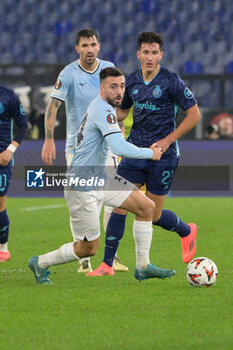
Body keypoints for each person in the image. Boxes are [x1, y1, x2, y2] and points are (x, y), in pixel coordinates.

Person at [28, 67, 176, 284]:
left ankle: (143, 266)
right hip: (82, 184)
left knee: (147, 207)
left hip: (101, 177)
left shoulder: (105, 108)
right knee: (88, 249)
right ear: (101, 87)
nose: (119, 91)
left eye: (122, 86)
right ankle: (40, 263)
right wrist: (150, 153)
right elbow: (119, 147)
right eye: (113, 86)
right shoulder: (103, 110)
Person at [91, 32, 201, 276]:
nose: (149, 57)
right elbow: (122, 112)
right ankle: (107, 265)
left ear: (161, 55)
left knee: (152, 214)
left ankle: (186, 230)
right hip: (135, 152)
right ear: (138, 54)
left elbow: (194, 115)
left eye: (154, 52)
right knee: (119, 205)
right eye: (145, 52)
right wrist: (102, 115)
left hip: (164, 156)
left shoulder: (172, 82)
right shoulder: (130, 81)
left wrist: (167, 140)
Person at [41, 28, 127, 273]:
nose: (89, 49)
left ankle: (111, 257)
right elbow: (53, 107)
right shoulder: (68, 74)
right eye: (84, 45)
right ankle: (84, 259)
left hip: (107, 148)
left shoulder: (109, 69)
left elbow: (117, 105)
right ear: (77, 48)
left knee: (113, 202)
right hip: (77, 150)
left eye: (93, 44)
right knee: (81, 203)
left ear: (99, 46)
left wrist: (120, 136)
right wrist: (48, 140)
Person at [0, 85, 28, 262]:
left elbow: (23, 125)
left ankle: (3, 248)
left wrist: (9, 150)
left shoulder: (8, 94)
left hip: (2, 159)